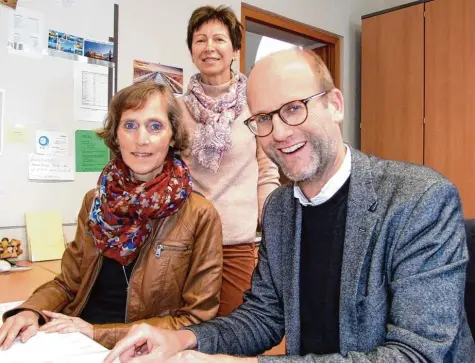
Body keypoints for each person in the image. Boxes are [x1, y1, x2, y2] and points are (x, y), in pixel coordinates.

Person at [105, 49, 475, 362]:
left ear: (335, 105)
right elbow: (263, 317)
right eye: (263, 118)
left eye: (294, 108)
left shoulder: (420, 199)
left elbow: (416, 355)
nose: (279, 133)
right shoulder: (281, 208)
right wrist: (183, 339)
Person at [0, 81, 223, 350]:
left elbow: (195, 319)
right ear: (115, 136)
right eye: (129, 125)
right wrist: (30, 311)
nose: (141, 139)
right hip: (76, 339)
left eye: (155, 126)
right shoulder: (95, 201)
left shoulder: (200, 215)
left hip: (141, 349)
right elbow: (68, 284)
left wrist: (98, 333)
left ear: (173, 136)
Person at [178, 5, 280, 317]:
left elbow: (267, 168)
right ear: (192, 49)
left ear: (235, 49)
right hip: (186, 239)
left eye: (219, 39)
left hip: (236, 241)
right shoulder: (177, 108)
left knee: (235, 329)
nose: (209, 47)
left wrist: (269, 220)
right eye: (200, 40)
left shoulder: (255, 104)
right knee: (185, 327)